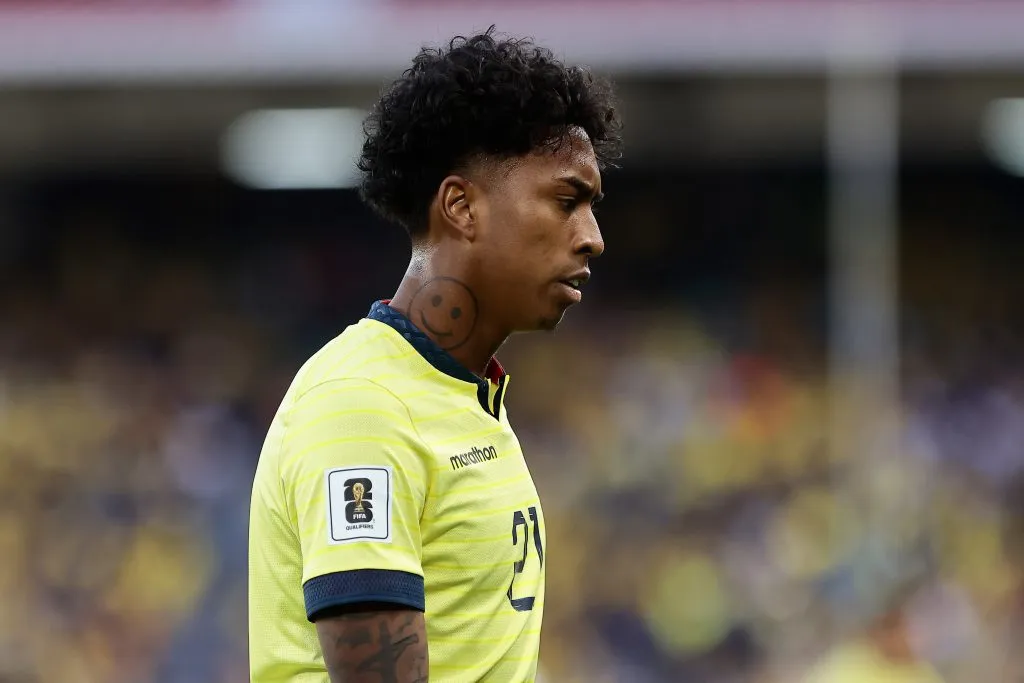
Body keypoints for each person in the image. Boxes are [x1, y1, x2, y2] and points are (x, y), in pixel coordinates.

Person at [248, 27, 622, 683]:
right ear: (461, 207)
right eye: (566, 201)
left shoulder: (467, 395)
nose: (591, 238)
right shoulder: (366, 403)